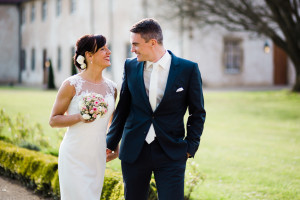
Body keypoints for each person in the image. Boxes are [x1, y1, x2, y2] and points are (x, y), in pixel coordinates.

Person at [106, 18, 206, 200]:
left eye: (135, 44)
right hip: (134, 150)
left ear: (152, 42)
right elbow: (123, 107)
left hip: (171, 151)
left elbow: (197, 112)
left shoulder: (188, 69)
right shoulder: (130, 66)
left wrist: (191, 146)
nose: (132, 49)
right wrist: (110, 142)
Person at [49, 34, 118, 200]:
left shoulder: (112, 88)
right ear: (89, 55)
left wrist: (115, 147)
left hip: (97, 156)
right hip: (74, 154)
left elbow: (112, 123)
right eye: (103, 49)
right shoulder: (71, 84)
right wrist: (80, 117)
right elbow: (54, 120)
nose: (108, 52)